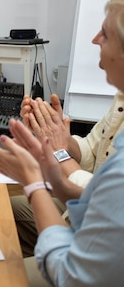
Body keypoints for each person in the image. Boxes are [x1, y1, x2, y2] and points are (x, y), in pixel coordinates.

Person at [0, 0, 124, 286]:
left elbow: (73, 274)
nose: (95, 39)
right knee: (0, 208)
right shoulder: (120, 98)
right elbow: (92, 150)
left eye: (105, 34)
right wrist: (58, 136)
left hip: (81, 260)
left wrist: (38, 177)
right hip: (85, 212)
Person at [12, 91, 123, 258]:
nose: (100, 64)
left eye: (102, 61)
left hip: (111, 242)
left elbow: (112, 201)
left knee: (7, 273)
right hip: (96, 214)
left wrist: (60, 154)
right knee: (10, 211)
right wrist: (57, 135)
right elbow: (94, 154)